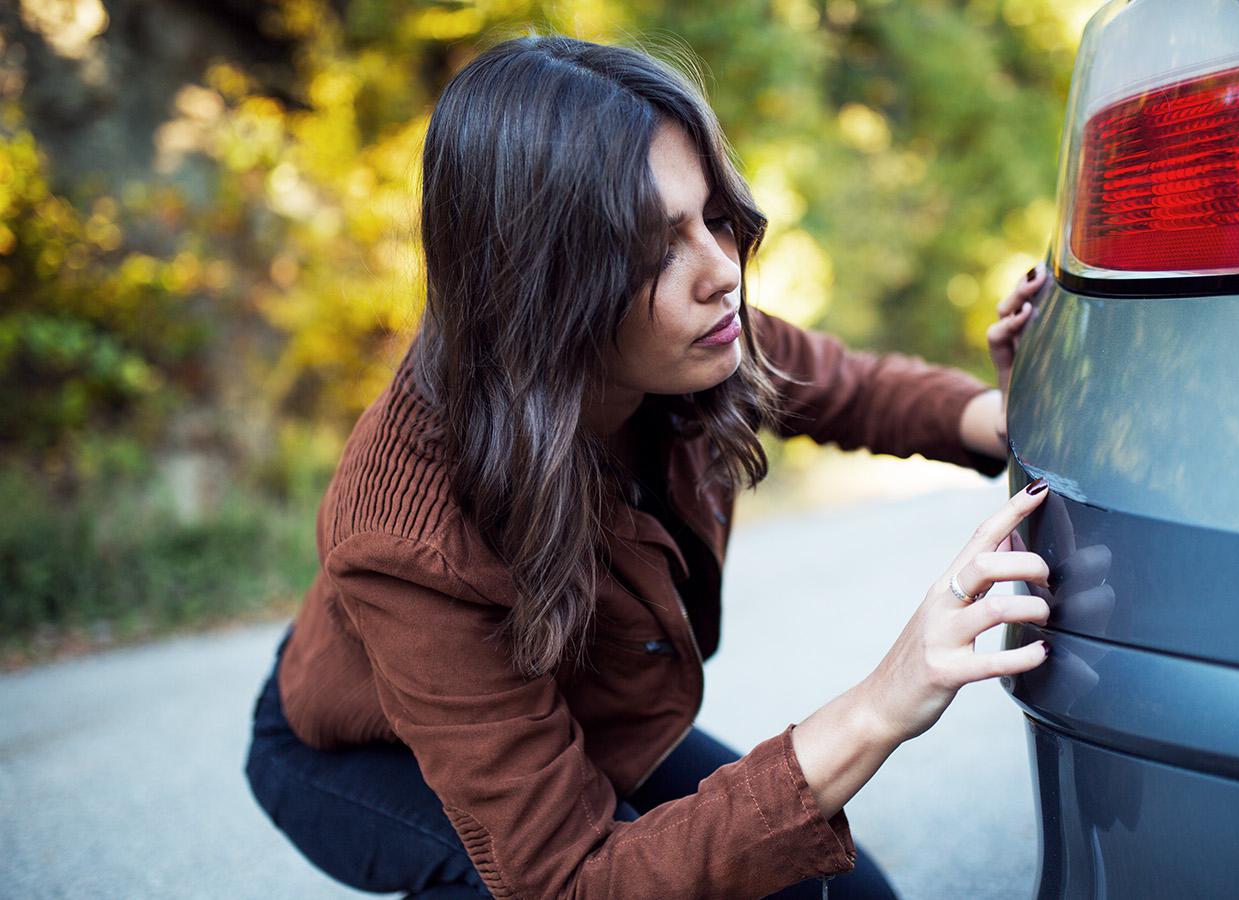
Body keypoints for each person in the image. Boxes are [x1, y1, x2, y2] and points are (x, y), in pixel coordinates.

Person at [244, 33, 1052, 900]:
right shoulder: (407, 536)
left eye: (713, 218)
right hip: (366, 753)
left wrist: (1009, 416)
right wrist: (878, 705)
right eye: (652, 246)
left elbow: (848, 386)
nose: (721, 273)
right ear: (541, 285)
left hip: (581, 721)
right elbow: (567, 878)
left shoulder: (683, 340)